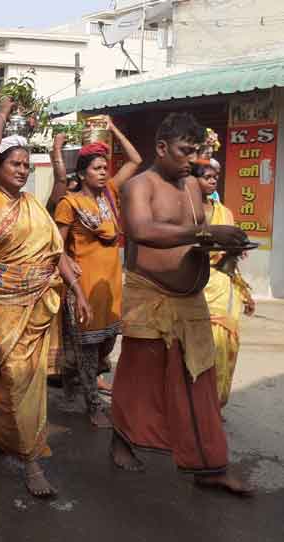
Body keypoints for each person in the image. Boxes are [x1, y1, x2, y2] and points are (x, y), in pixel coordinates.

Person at [111, 112, 252, 495]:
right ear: (161, 147)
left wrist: (225, 242)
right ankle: (122, 439)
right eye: (184, 151)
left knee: (200, 380)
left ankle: (210, 466)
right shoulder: (139, 185)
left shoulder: (192, 186)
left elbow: (190, 237)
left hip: (191, 297)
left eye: (194, 152)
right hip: (148, 293)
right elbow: (142, 230)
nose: (191, 160)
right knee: (139, 378)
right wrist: (205, 230)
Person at [0, 98, 91, 498]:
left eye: (26, 165)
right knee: (16, 375)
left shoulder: (33, 205)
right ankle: (30, 460)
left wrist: (76, 291)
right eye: (14, 164)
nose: (22, 171)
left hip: (37, 299)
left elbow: (52, 254)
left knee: (20, 379)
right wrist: (3, 111)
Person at [53, 121, 142, 427]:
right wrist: (67, 261)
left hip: (111, 285)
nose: (104, 172)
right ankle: (92, 405)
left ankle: (70, 381)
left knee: (105, 345)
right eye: (97, 168)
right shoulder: (69, 203)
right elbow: (56, 246)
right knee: (87, 347)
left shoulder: (110, 194)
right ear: (82, 173)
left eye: (105, 167)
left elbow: (136, 161)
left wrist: (114, 129)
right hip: (84, 285)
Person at [197, 159, 254, 408]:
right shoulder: (184, 210)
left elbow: (230, 251)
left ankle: (213, 403)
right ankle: (194, 403)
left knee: (224, 343)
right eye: (206, 176)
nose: (212, 181)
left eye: (214, 177)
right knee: (198, 347)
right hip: (193, 282)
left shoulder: (225, 211)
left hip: (221, 282)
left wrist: (237, 250)